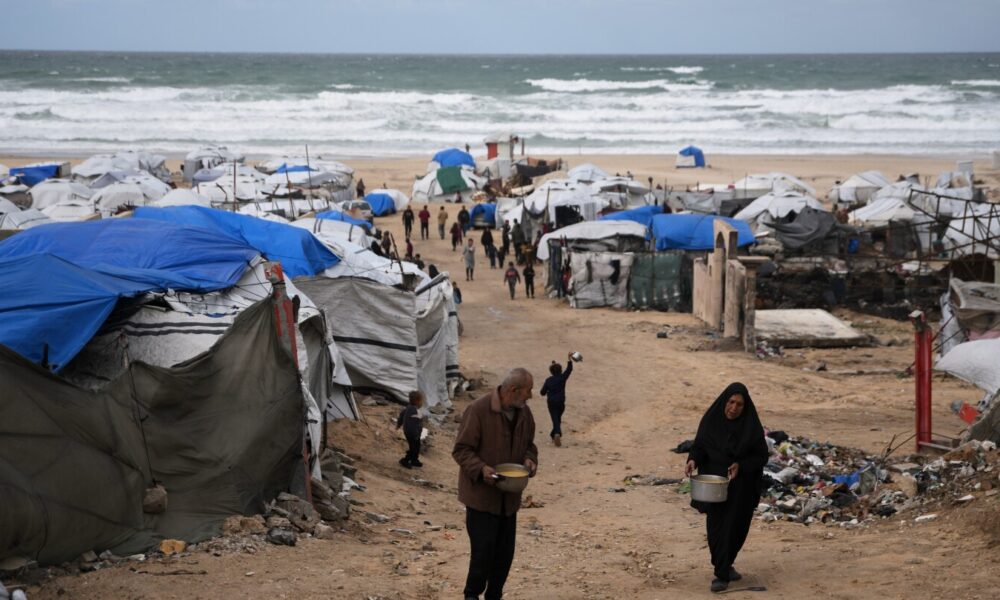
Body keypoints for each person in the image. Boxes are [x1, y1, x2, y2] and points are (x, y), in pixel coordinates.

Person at [452, 368, 538, 600]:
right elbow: (461, 450)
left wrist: (530, 460)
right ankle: (471, 595)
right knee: (483, 554)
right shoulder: (479, 410)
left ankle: (495, 595)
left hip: (509, 500)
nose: (531, 395)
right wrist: (481, 469)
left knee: (503, 556)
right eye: (528, 391)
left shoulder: (524, 414)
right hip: (481, 499)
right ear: (513, 390)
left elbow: (529, 444)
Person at [684, 382, 768, 593]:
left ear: (745, 407)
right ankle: (722, 568)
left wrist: (741, 464)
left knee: (735, 528)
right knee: (716, 529)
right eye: (731, 402)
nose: (734, 408)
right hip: (714, 485)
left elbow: (761, 456)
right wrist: (693, 460)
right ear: (724, 401)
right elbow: (699, 446)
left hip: (741, 487)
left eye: (739, 404)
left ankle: (724, 569)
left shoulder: (751, 428)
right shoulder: (711, 421)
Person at [539, 354, 574, 446]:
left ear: (551, 372)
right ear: (561, 370)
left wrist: (547, 391)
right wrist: (569, 359)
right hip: (561, 402)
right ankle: (554, 434)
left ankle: (556, 433)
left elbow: (542, 392)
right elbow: (569, 370)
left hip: (551, 402)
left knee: (555, 418)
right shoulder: (562, 378)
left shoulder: (548, 380)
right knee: (557, 418)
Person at [397, 391, 425, 468]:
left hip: (414, 433)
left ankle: (414, 460)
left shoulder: (409, 408)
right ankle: (405, 460)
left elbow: (401, 415)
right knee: (413, 448)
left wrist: (399, 424)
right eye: (421, 401)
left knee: (417, 446)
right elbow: (413, 424)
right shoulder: (413, 410)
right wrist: (415, 434)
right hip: (412, 434)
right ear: (417, 401)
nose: (422, 403)